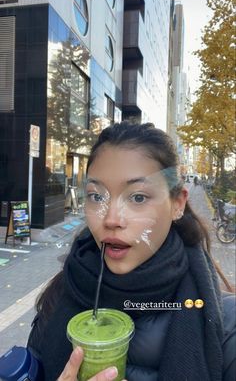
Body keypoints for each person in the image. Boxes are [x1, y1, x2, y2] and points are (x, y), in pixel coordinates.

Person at [27, 122, 236, 381]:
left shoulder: (226, 325)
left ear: (177, 204)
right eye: (97, 196)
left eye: (137, 197)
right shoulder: (61, 291)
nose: (111, 219)